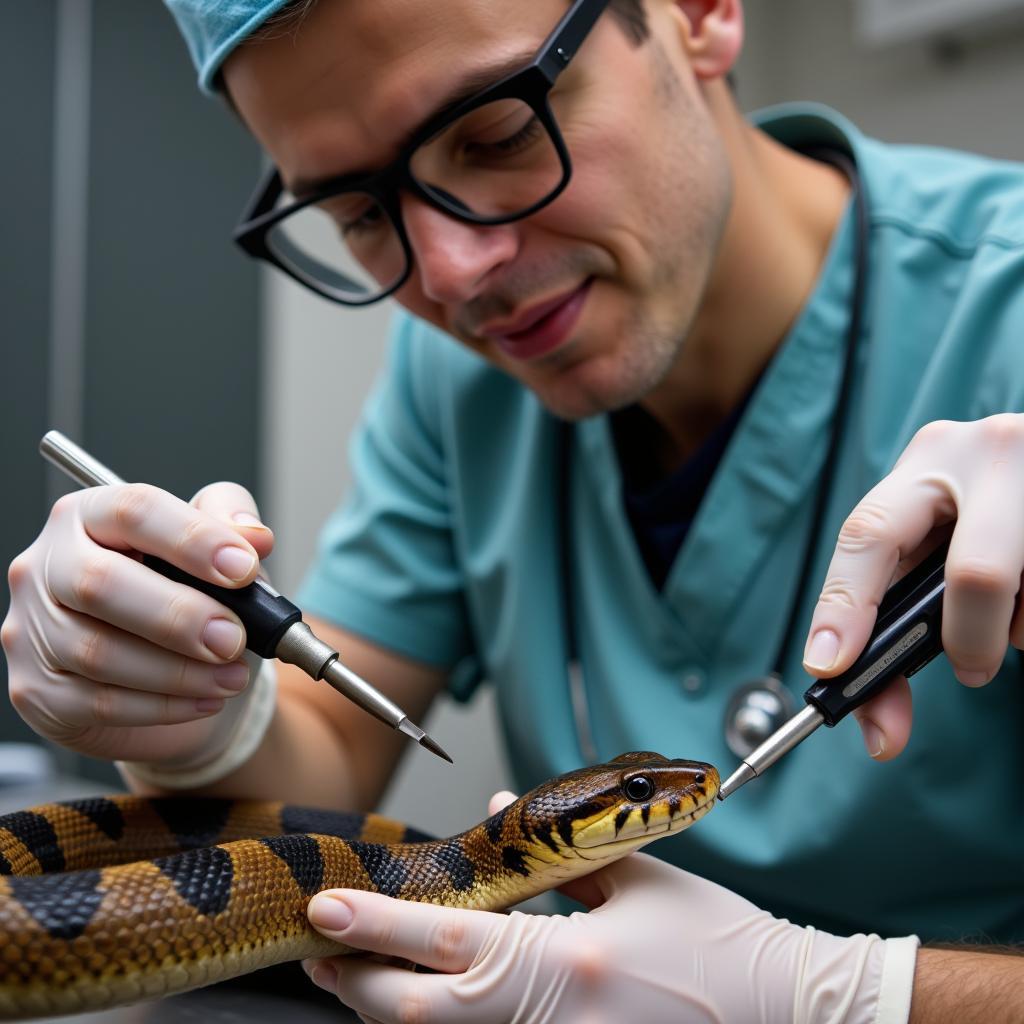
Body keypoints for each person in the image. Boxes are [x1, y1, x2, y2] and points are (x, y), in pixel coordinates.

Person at [4, 0, 1024, 1018]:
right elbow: (329, 747)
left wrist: (848, 996)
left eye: (496, 132)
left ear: (700, 14)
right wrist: (194, 698)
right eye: (359, 214)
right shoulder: (461, 377)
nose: (450, 276)